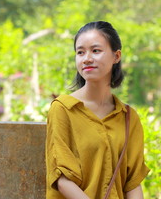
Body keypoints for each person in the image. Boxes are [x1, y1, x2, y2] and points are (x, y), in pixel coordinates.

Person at [46, 21, 150, 199]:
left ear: (116, 56)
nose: (86, 58)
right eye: (80, 52)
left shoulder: (128, 118)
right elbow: (62, 178)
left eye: (95, 50)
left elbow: (132, 183)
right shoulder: (63, 109)